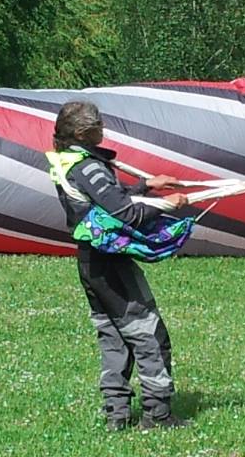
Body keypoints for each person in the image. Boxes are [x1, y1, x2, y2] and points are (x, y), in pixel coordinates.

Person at [50, 101, 191, 431]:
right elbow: (125, 214)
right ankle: (158, 416)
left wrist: (146, 186)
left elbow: (110, 198)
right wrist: (166, 204)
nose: (104, 129)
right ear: (85, 133)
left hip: (91, 263)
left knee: (113, 337)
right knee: (150, 335)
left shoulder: (73, 161)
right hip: (110, 266)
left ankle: (116, 414)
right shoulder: (89, 168)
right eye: (99, 125)